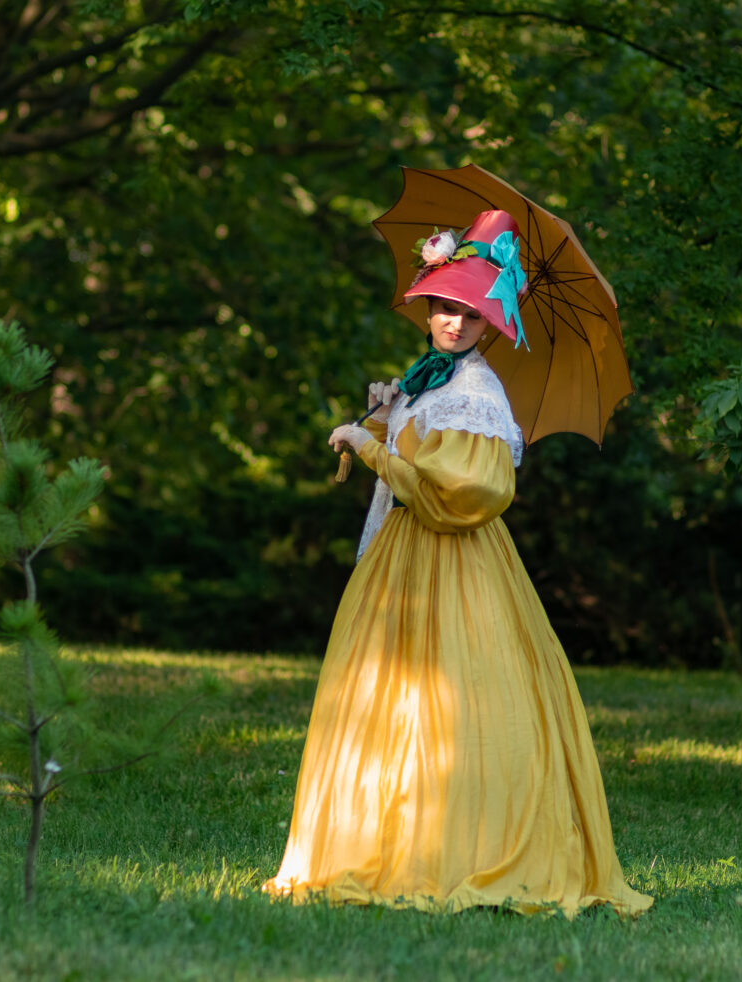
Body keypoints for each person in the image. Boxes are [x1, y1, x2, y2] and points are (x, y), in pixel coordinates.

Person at [262, 209, 652, 918]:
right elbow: (417, 448)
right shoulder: (434, 377)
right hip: (406, 563)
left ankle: (457, 845)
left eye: (469, 314)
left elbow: (455, 494)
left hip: (455, 560)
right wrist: (385, 414)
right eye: (443, 306)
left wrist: (371, 444)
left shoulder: (475, 393)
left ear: (491, 323)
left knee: (458, 699)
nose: (452, 322)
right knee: (392, 696)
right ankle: (382, 832)